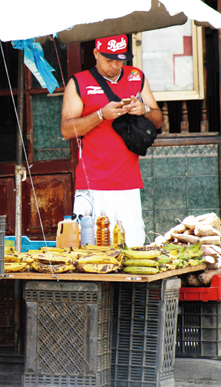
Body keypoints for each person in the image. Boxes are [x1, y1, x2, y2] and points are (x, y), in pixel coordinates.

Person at [61, 34, 162, 247]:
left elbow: (158, 120)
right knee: (93, 249)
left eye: (120, 60)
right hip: (93, 183)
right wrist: (100, 115)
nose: (115, 66)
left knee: (132, 246)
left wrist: (143, 109)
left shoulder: (137, 77)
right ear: (96, 54)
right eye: (109, 60)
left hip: (129, 182)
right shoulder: (78, 82)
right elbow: (67, 129)